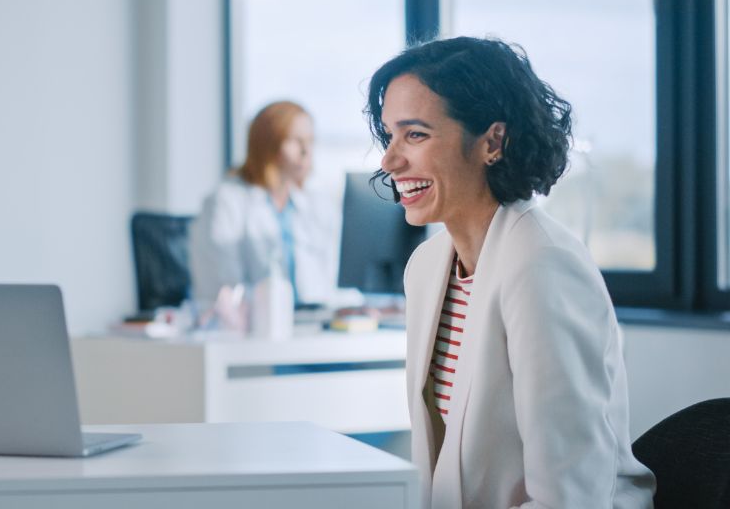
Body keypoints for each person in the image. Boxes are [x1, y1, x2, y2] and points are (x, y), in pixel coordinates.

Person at [366, 36, 655, 508]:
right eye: (389, 134)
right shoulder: (427, 267)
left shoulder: (542, 264)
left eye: (415, 134)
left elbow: (571, 495)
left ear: (492, 141)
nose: (389, 160)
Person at [188, 101, 335, 312]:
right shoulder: (225, 202)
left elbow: (325, 282)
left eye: (310, 141)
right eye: (295, 140)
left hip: (306, 325)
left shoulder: (316, 204)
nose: (306, 151)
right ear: (268, 144)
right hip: (250, 328)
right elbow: (222, 289)